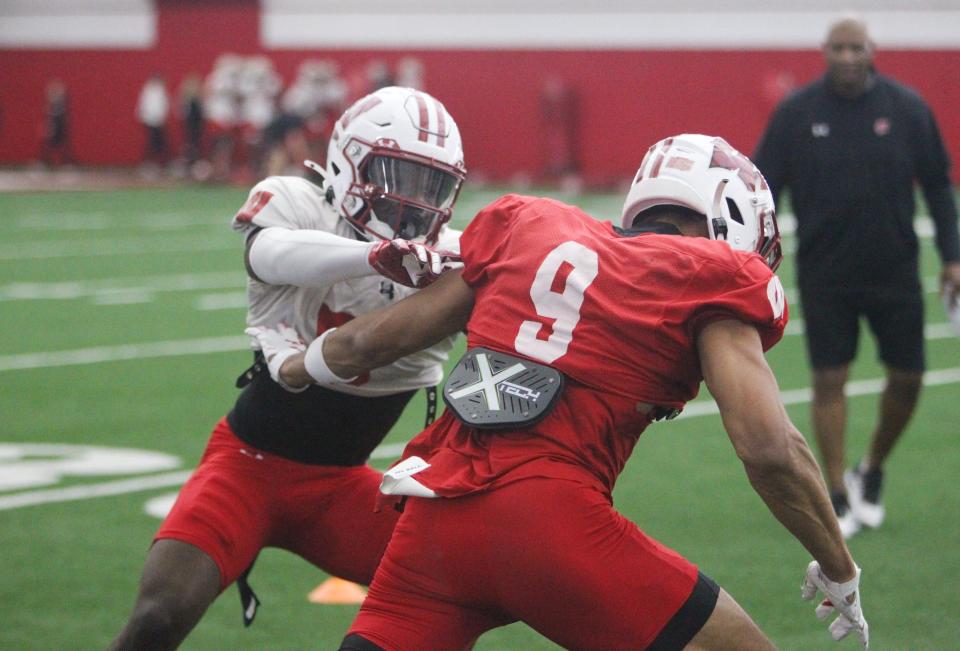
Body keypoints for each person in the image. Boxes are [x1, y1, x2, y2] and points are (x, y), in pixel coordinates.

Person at [261, 134, 869, 650]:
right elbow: (768, 447)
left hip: (432, 522)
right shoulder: (716, 274)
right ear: (734, 219)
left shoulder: (528, 223)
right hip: (552, 524)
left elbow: (369, 344)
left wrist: (290, 363)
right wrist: (838, 565)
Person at [108, 86, 467, 651]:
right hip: (246, 467)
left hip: (340, 486)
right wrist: (371, 256)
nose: (413, 202)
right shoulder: (301, 204)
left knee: (461, 588)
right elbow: (268, 253)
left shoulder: (450, 257)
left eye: (430, 185)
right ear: (349, 162)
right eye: (397, 177)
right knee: (159, 616)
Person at [753, 16, 960, 538]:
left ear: (871, 50)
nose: (847, 56)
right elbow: (761, 188)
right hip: (826, 273)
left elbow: (938, 186)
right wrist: (752, 258)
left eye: (856, 47)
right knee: (829, 379)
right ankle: (837, 493)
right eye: (838, 47)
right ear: (825, 51)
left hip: (896, 271)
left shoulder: (908, 109)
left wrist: (952, 258)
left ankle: (871, 469)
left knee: (909, 379)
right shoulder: (797, 113)